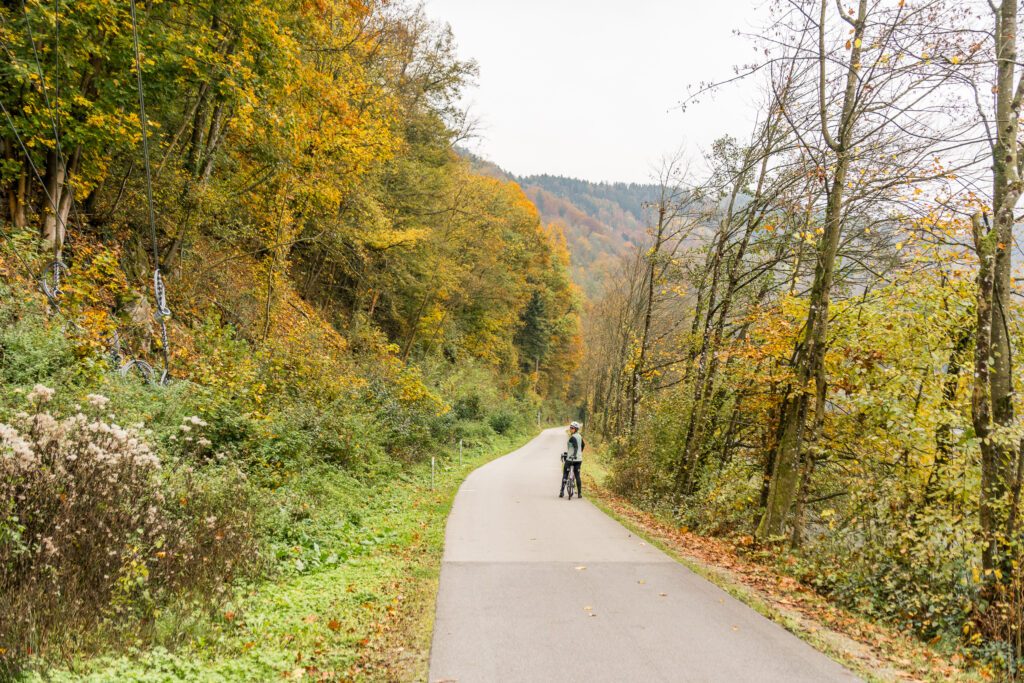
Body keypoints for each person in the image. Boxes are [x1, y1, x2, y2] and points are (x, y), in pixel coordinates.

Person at [559, 421, 584, 498]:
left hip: (571, 459)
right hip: (578, 460)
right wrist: (579, 453)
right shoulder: (580, 436)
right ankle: (579, 494)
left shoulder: (572, 438)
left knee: (565, 474)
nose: (570, 429)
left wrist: (574, 454)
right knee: (577, 476)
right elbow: (583, 445)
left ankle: (562, 492)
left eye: (572, 428)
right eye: (570, 427)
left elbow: (576, 447)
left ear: (576, 429)